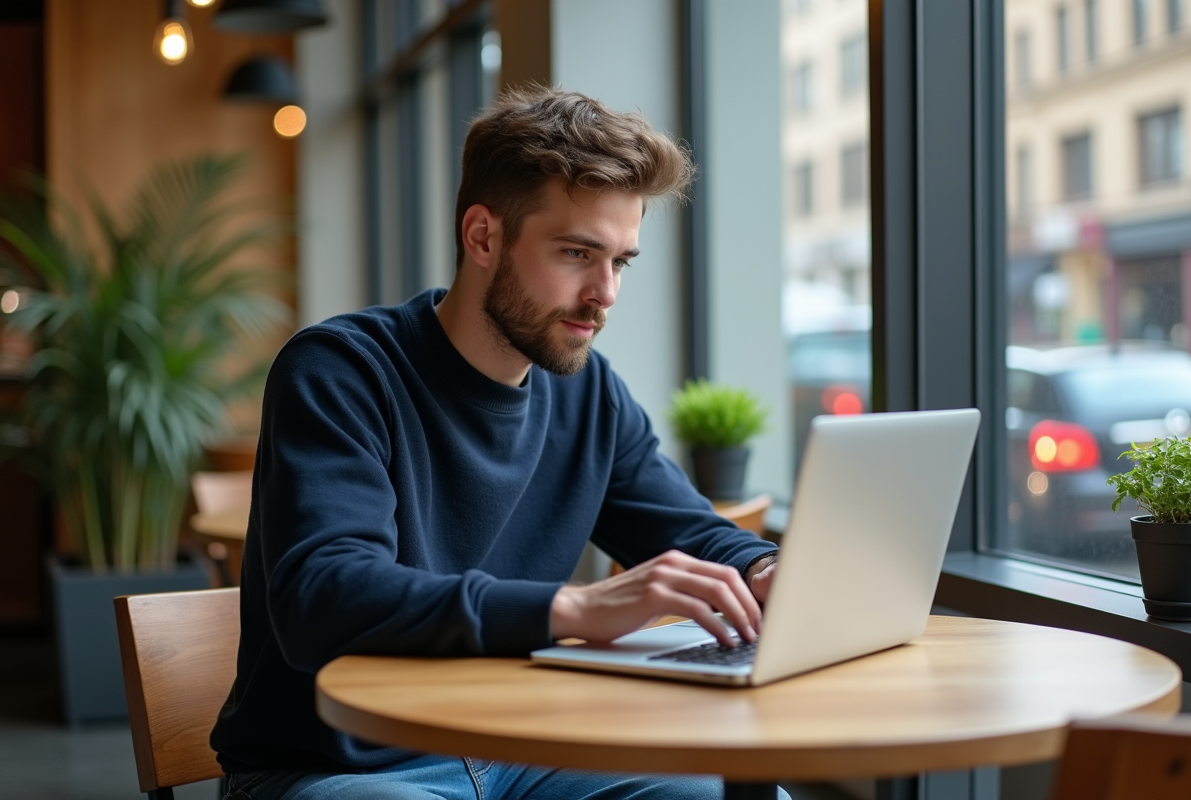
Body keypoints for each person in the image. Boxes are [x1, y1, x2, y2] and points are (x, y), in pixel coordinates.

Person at [212, 85, 783, 800]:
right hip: (339, 766)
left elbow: (695, 535)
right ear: (483, 237)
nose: (605, 293)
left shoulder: (590, 393)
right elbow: (323, 598)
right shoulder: (342, 370)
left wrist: (764, 569)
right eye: (578, 253)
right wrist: (572, 609)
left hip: (523, 749)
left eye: (621, 262)